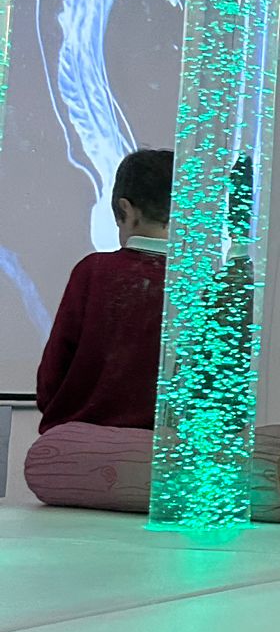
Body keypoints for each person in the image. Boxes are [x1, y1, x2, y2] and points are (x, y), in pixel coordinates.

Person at [36, 148, 174, 432]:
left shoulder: (93, 271)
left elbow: (51, 378)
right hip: (165, 447)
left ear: (126, 209)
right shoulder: (197, 283)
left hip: (81, 441)